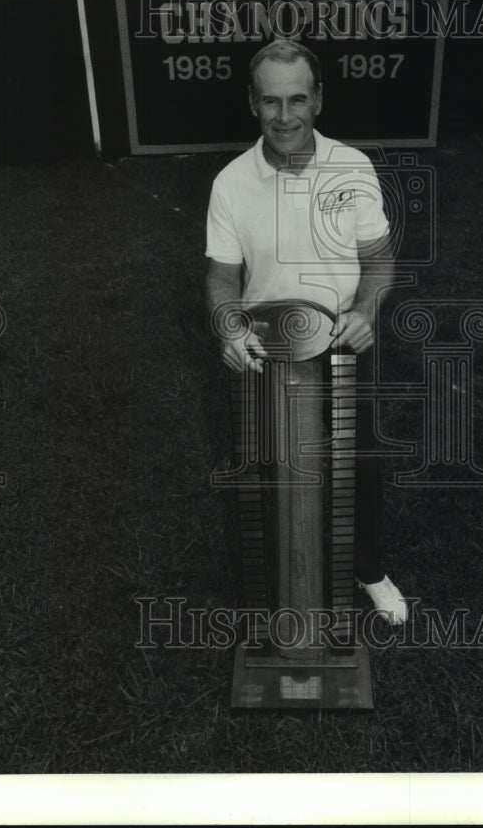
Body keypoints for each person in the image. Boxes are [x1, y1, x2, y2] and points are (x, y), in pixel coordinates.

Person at [205, 38, 408, 626]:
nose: (285, 116)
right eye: (271, 101)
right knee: (272, 467)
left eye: (297, 99)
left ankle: (368, 569)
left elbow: (380, 258)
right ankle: (275, 577)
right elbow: (221, 276)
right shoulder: (230, 183)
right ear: (252, 103)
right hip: (266, 350)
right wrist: (228, 325)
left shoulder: (353, 168)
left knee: (358, 463)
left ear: (319, 99)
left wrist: (368, 309)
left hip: (342, 341)